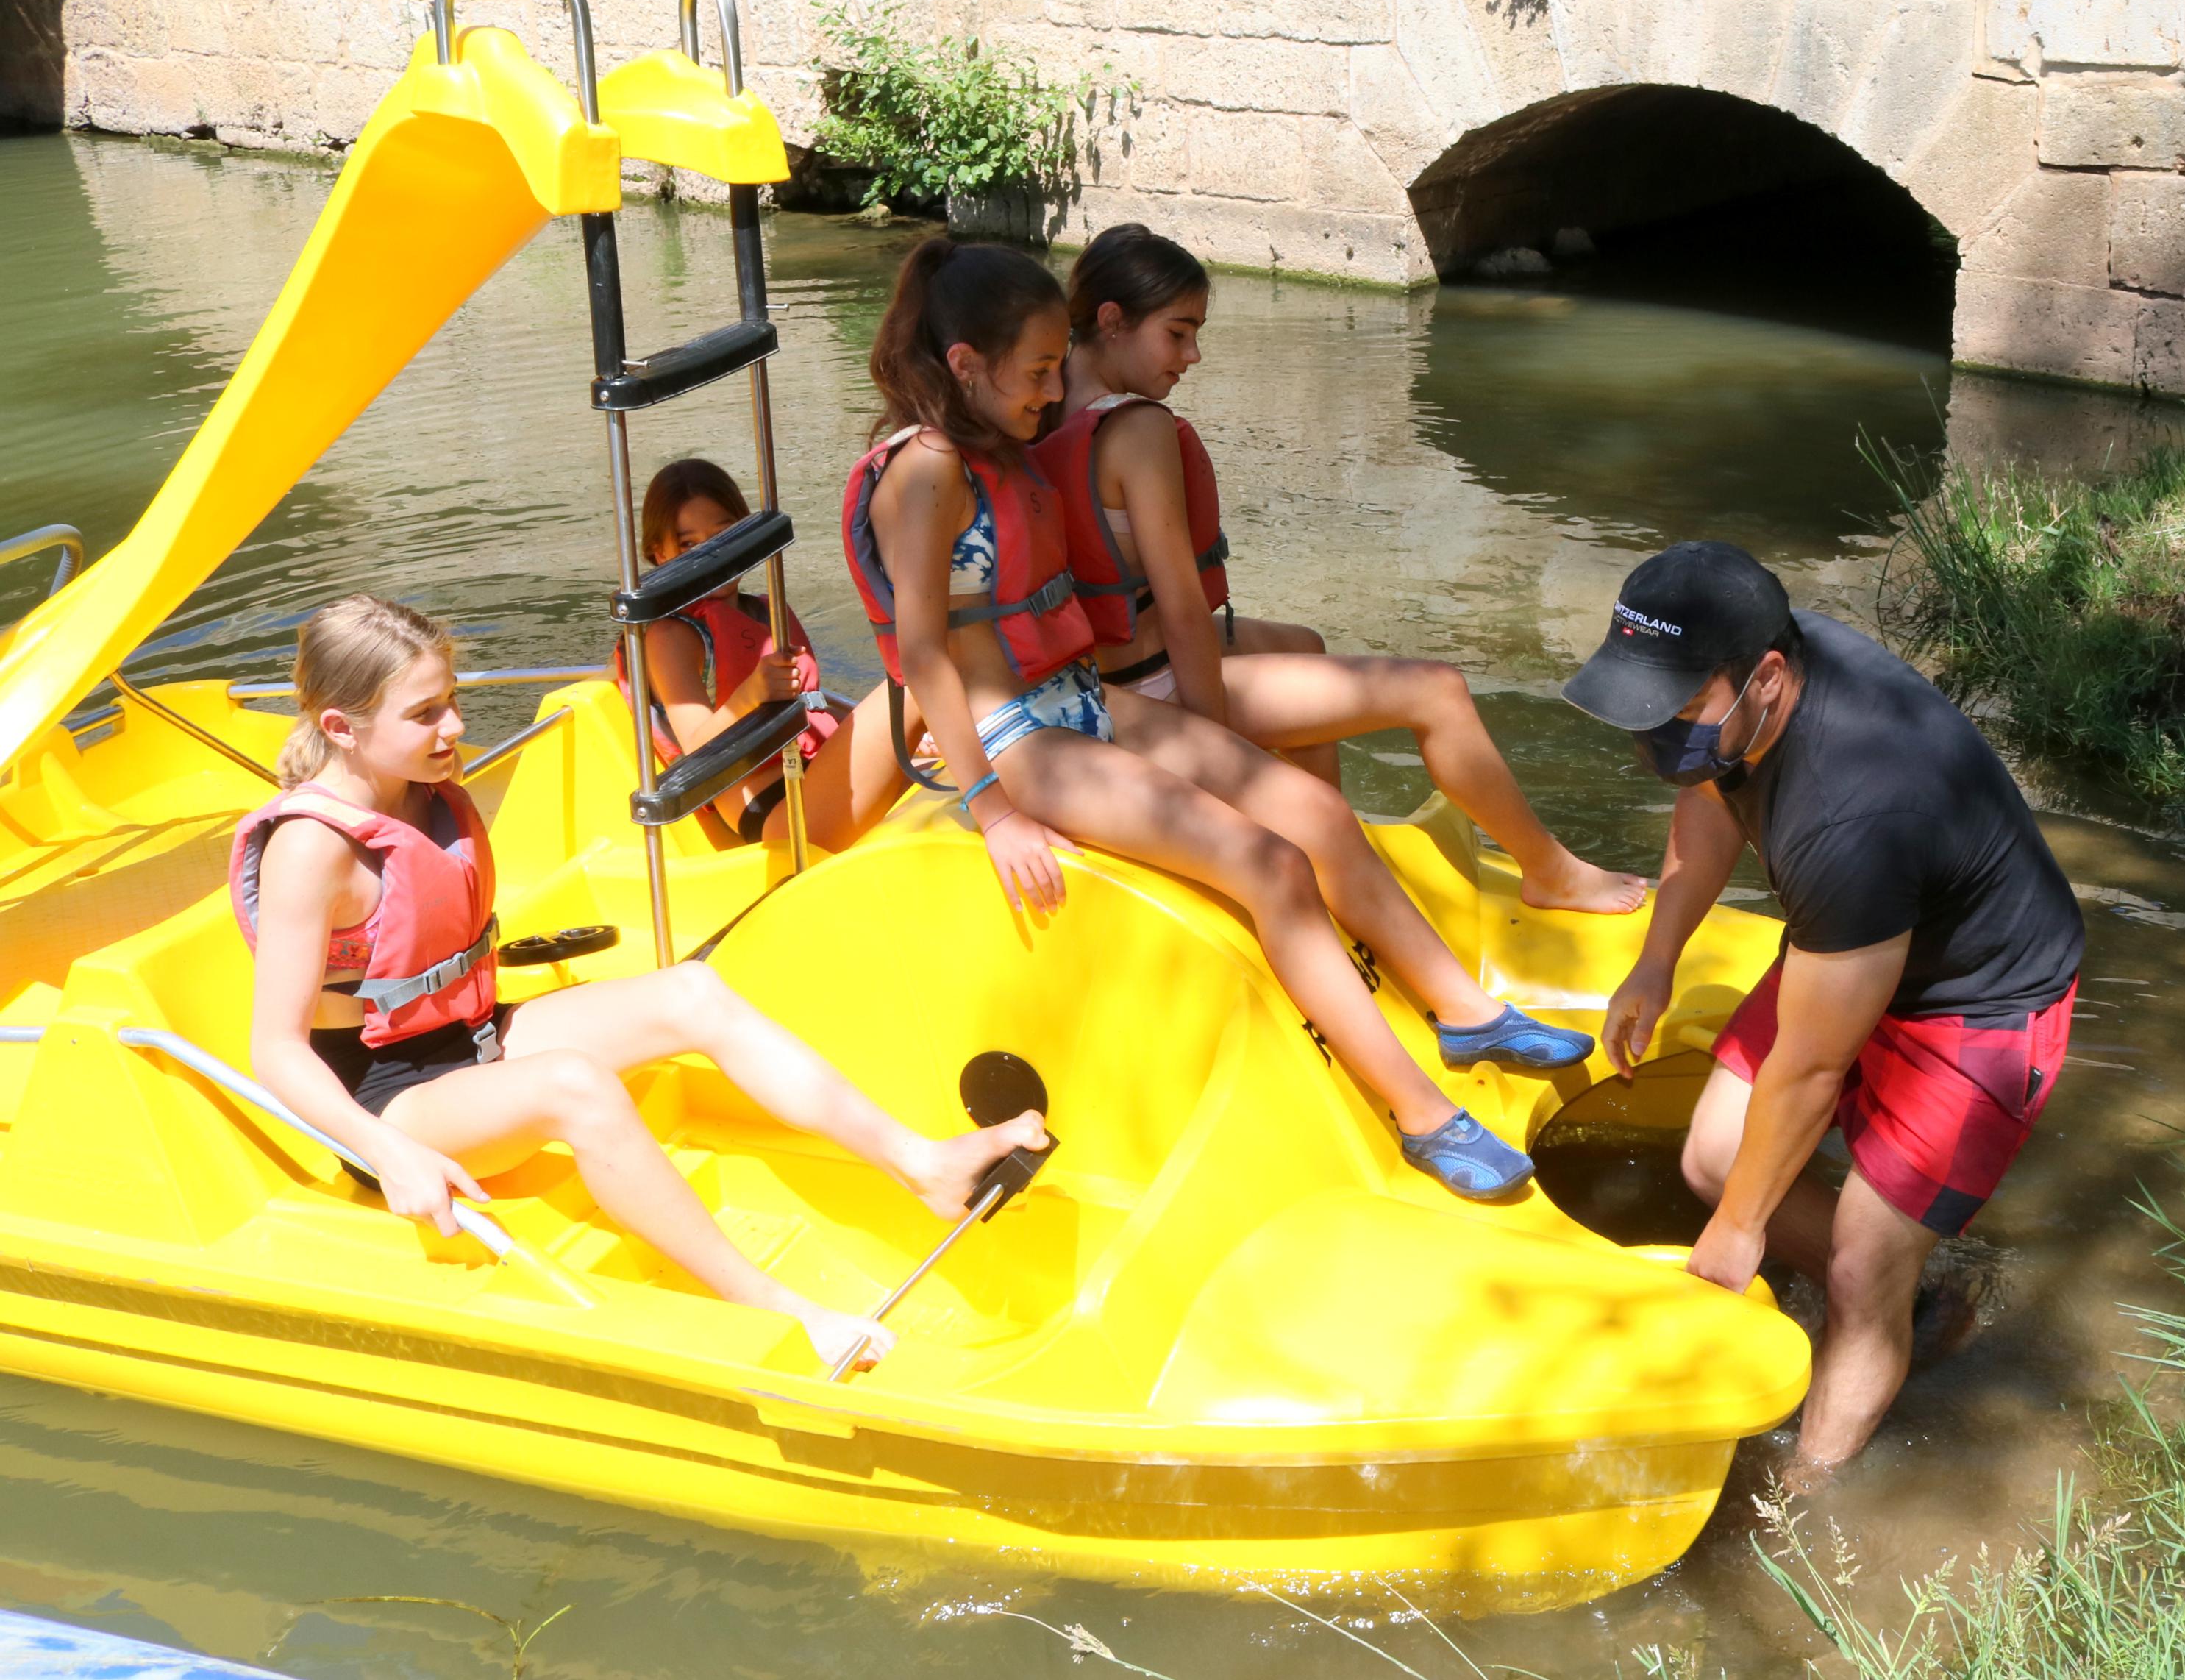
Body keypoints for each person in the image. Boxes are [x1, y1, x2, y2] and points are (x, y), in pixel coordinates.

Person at [841, 238, 1597, 1200]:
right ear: (964, 365)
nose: (1049, 390)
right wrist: (993, 808)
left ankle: (1462, 1009)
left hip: (1077, 696)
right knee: (1268, 862)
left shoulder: (994, 447)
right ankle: (1422, 1113)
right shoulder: (926, 472)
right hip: (1015, 739)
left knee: (1315, 815)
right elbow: (919, 653)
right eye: (1036, 372)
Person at [234, 594, 1047, 1370]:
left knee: (691, 994)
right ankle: (775, 1307)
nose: (454, 725)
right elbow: (275, 1048)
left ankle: (923, 1165)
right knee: (575, 1085)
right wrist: (388, 1153)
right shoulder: (311, 847)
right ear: (341, 728)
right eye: (424, 714)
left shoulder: (416, 793)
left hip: (470, 1040)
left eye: (450, 698)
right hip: (384, 1100)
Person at [1565, 543, 2083, 1468]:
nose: (1654, 735)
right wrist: (1655, 962)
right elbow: (1710, 792)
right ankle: (1916, 1304)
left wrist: (1736, 1235)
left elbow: (1809, 1070)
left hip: (1975, 1004)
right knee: (1715, 1159)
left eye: (1676, 708)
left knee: (1856, 1264)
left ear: (1764, 677)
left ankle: (1808, 1503)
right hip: (1857, 942)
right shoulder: (1753, 686)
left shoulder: (1854, 810)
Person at [1034, 224, 1644, 915]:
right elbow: (1180, 609)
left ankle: (1334, 852)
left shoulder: (1035, 406)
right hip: (1152, 685)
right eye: (1178, 333)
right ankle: (1547, 871)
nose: (1193, 355)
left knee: (1303, 644)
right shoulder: (1135, 430)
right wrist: (1215, 752)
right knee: (1436, 690)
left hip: (1095, 674)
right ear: (1112, 322)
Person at [616, 456, 896, 852]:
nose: (710, 556)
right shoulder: (671, 636)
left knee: (911, 700)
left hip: (815, 779)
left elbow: (812, 704)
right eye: (688, 545)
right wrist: (751, 693)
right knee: (918, 677)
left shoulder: (764, 612)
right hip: (777, 814)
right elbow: (698, 748)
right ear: (658, 554)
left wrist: (898, 736)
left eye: (724, 535)